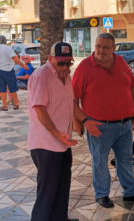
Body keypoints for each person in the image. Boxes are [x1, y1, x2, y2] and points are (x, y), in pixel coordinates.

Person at [72, 33, 134, 208]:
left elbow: (131, 86)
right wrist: (82, 121)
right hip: (98, 126)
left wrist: (132, 115)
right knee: (100, 161)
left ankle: (130, 193)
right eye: (98, 46)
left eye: (106, 47)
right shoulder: (84, 67)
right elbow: (72, 99)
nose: (101, 50)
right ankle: (102, 194)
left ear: (113, 49)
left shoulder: (121, 62)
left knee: (126, 160)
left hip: (123, 125)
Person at [27, 42, 80, 221]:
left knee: (62, 189)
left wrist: (78, 122)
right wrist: (57, 134)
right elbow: (40, 109)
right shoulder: (41, 76)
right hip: (46, 145)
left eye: (68, 63)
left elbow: (69, 103)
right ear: (50, 59)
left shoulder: (66, 76)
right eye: (61, 63)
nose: (65, 67)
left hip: (63, 144)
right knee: (47, 195)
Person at [0, 35, 29, 111]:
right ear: (5, 41)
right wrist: (23, 65)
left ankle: (4, 106)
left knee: (2, 88)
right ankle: (16, 104)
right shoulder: (8, 49)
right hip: (9, 71)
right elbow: (15, 59)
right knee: (13, 88)